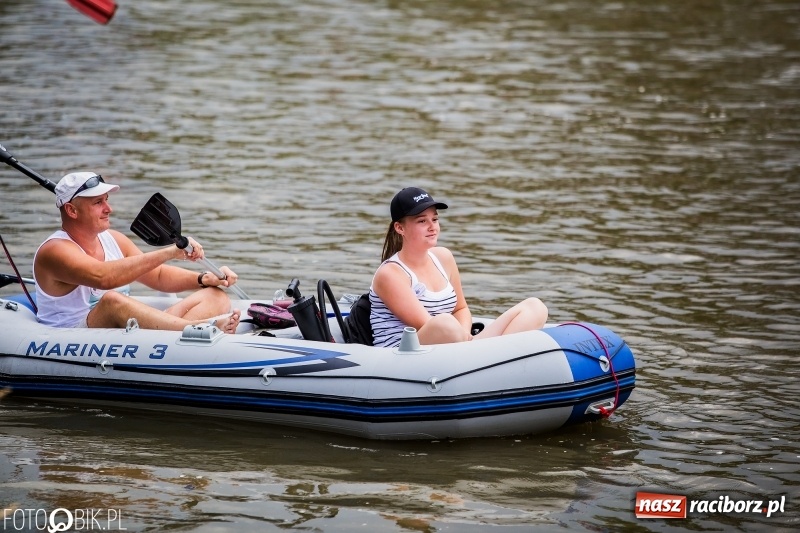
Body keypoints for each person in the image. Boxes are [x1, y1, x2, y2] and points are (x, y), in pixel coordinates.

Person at [33, 172, 241, 333]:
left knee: (216, 296)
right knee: (111, 301)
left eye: (106, 200)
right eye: (98, 202)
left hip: (127, 332)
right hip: (73, 336)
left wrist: (205, 279)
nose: (109, 209)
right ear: (71, 210)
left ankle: (177, 331)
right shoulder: (54, 251)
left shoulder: (113, 239)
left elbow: (158, 276)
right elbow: (103, 277)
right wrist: (170, 252)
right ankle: (200, 328)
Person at [369, 187, 547, 347]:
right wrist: (464, 338)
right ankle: (484, 357)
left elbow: (460, 309)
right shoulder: (390, 273)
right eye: (422, 221)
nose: (433, 227)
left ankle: (490, 358)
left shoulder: (443, 257)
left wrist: (465, 336)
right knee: (444, 323)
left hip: (457, 346)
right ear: (400, 228)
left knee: (535, 307)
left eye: (435, 219)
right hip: (406, 355)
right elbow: (428, 326)